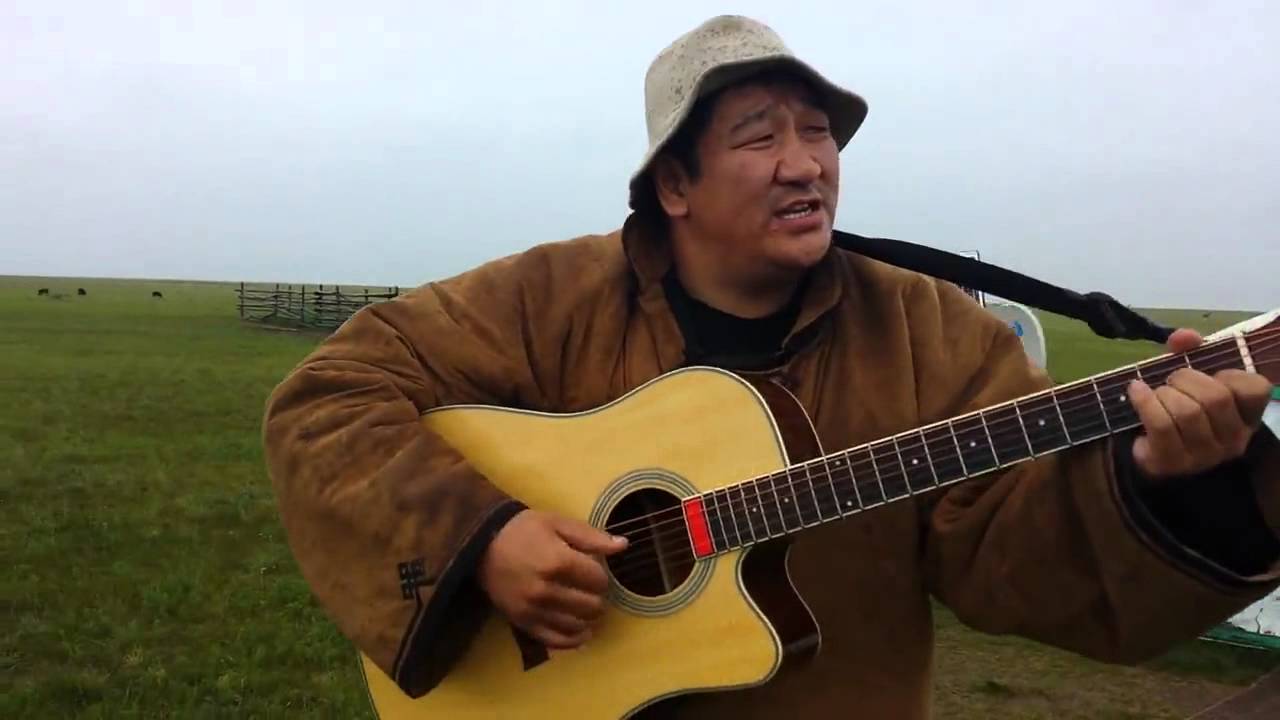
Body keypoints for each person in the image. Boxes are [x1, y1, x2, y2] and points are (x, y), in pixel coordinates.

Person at [261, 15, 1280, 719]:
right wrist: (487, 538)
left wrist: (1169, 482)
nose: (806, 163)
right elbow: (329, 399)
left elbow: (1014, 555)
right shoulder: (549, 299)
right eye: (760, 137)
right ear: (674, 185)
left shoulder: (931, 331)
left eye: (818, 134)